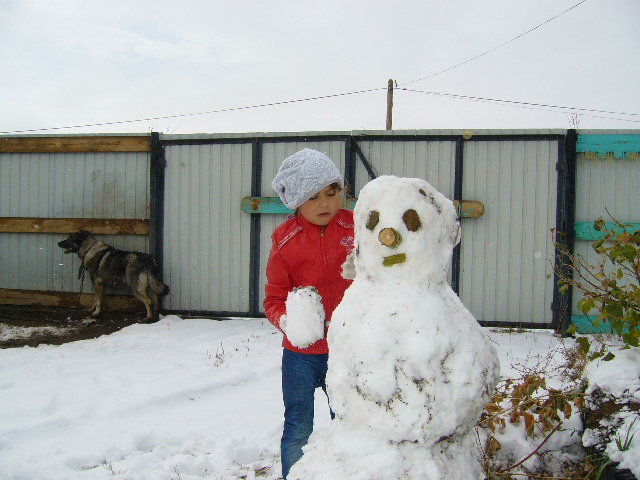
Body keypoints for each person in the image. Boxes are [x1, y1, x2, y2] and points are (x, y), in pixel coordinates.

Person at [264, 148, 354, 479]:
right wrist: (288, 322)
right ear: (296, 201)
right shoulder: (285, 241)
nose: (325, 203)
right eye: (313, 196)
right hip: (301, 355)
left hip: (347, 350)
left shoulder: (355, 229)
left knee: (348, 424)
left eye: (332, 193)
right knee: (298, 427)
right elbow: (273, 298)